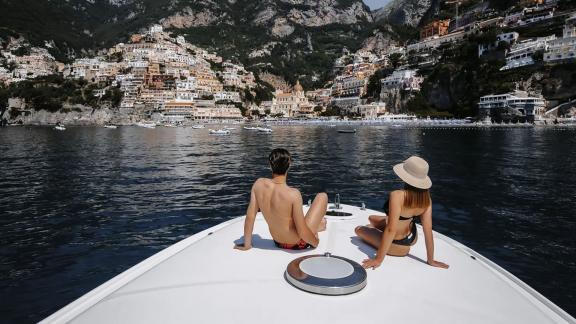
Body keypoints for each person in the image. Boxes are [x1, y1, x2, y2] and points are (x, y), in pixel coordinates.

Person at [355, 156, 449, 270]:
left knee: (358, 229)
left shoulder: (397, 195)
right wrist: (431, 259)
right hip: (410, 238)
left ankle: (373, 231)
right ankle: (374, 228)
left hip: (395, 246)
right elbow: (427, 230)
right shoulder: (427, 200)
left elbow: (391, 229)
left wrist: (378, 259)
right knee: (371, 218)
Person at [234, 148, 328, 251]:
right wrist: (315, 242)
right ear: (289, 166)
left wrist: (247, 245)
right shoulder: (293, 194)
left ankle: (319, 226)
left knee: (319, 223)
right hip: (298, 243)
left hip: (277, 242)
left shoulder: (258, 185)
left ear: (270, 165)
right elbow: (301, 231)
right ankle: (318, 227)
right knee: (322, 196)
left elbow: (250, 217)